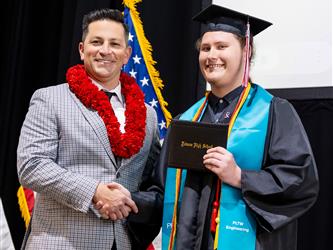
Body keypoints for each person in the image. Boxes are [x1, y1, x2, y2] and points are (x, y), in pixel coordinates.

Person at [161, 4, 319, 250]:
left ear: (246, 50)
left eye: (222, 47)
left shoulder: (272, 111)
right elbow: (161, 188)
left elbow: (300, 181)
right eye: (205, 48)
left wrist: (241, 177)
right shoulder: (188, 119)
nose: (211, 55)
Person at [17, 8, 163, 250]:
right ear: (82, 49)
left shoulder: (147, 114)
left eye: (115, 44)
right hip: (60, 242)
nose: (105, 50)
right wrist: (94, 191)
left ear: (127, 54)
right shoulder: (50, 99)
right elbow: (31, 166)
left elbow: (151, 179)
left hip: (123, 243)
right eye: (97, 42)